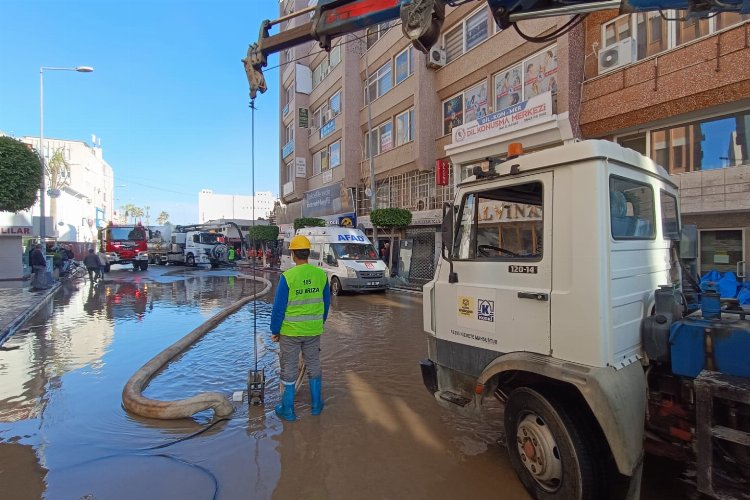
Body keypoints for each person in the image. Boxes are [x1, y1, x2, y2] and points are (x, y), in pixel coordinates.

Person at [270, 235, 331, 422]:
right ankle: (316, 406)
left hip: (290, 332)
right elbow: (326, 304)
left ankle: (288, 411)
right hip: (313, 331)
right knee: (314, 365)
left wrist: (275, 330)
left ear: (294, 254)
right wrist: (318, 323)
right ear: (308, 253)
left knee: (288, 369)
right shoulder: (321, 275)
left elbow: (279, 308)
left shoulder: (288, 277)